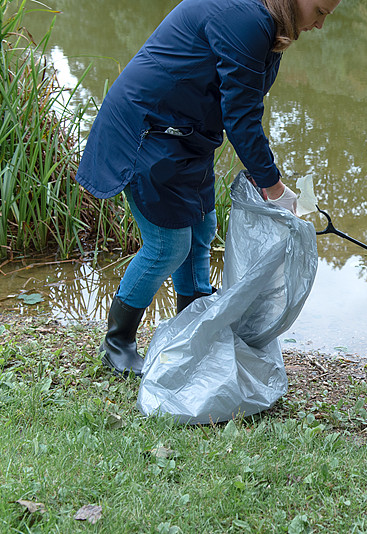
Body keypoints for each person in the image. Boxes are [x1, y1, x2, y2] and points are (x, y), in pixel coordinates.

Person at [75, 0, 340, 377]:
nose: (320, 23)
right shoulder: (247, 18)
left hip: (187, 136)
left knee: (202, 228)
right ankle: (117, 342)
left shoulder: (270, 24)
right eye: (321, 11)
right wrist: (273, 186)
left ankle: (192, 324)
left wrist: (265, 176)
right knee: (167, 246)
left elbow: (242, 102)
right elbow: (241, 118)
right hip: (148, 131)